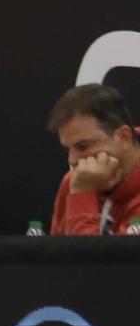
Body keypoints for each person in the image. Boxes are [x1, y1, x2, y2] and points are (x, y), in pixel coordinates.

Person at [45, 83, 140, 236]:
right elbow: (60, 258)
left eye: (83, 147)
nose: (73, 160)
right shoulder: (74, 181)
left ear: (124, 137)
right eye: (68, 149)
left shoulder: (81, 185)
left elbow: (88, 259)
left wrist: (83, 194)